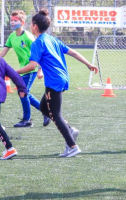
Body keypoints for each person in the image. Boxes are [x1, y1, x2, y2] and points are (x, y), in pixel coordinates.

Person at [16, 9, 98, 158]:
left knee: (56, 114)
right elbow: (73, 52)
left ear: (34, 26)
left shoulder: (38, 43)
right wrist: (88, 64)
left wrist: (14, 72)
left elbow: (32, 66)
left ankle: (72, 146)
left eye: (31, 23)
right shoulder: (51, 39)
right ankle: (70, 130)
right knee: (43, 107)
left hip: (54, 81)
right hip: (62, 78)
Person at [0, 10, 47, 128]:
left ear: (22, 22)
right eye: (11, 20)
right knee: (25, 93)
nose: (13, 22)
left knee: (23, 93)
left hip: (31, 69)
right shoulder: (12, 36)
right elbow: (4, 52)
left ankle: (27, 119)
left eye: (15, 20)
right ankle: (46, 112)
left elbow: (39, 52)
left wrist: (40, 70)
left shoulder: (28, 37)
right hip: (23, 69)